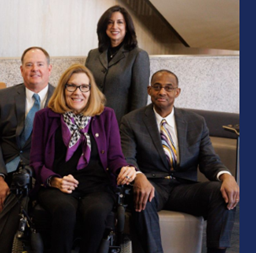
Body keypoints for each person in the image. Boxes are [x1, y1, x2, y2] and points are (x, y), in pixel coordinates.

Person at [119, 70, 240, 253]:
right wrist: (139, 177)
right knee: (142, 197)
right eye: (157, 87)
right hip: (152, 185)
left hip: (184, 188)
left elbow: (209, 159)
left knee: (220, 192)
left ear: (177, 92)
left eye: (169, 88)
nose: (162, 92)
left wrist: (226, 176)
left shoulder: (196, 122)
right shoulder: (131, 121)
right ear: (149, 90)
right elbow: (128, 157)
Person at [30, 64, 137, 253]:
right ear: (63, 89)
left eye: (84, 87)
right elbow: (36, 162)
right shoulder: (44, 117)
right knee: (64, 210)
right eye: (71, 86)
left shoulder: (106, 116)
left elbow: (115, 157)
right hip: (58, 185)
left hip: (97, 186)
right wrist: (55, 181)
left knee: (96, 212)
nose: (78, 92)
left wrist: (125, 168)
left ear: (91, 90)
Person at [0, 46, 55, 253]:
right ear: (21, 70)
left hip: (34, 168)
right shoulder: (2, 97)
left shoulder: (62, 99)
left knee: (22, 193)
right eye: (29, 65)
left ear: (49, 69)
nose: (35, 69)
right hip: (0, 159)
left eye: (40, 64)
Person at [85, 5, 150, 123]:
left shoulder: (138, 55)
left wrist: (130, 128)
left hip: (119, 124)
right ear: (104, 27)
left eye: (120, 22)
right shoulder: (93, 54)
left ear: (127, 27)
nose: (114, 26)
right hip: (91, 120)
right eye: (110, 22)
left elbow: (139, 100)